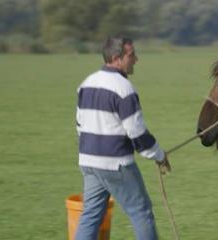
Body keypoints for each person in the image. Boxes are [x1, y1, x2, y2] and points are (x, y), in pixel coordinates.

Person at [75, 36, 171, 240]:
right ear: (117, 57)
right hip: (116, 165)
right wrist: (159, 155)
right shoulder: (124, 89)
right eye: (132, 55)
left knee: (90, 216)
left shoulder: (86, 84)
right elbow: (136, 133)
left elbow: (79, 125)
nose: (136, 59)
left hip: (88, 162)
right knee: (141, 212)